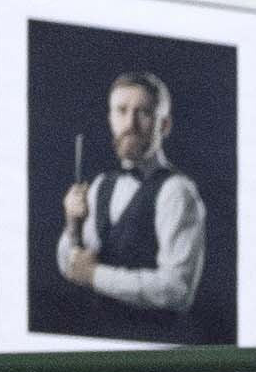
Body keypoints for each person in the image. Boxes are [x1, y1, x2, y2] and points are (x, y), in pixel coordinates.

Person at [55, 69, 206, 316]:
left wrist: (94, 275)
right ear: (110, 119)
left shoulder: (177, 191)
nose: (130, 124)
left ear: (164, 125)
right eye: (121, 111)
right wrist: (73, 225)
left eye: (143, 112)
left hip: (154, 335)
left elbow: (177, 290)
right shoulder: (101, 184)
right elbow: (72, 266)